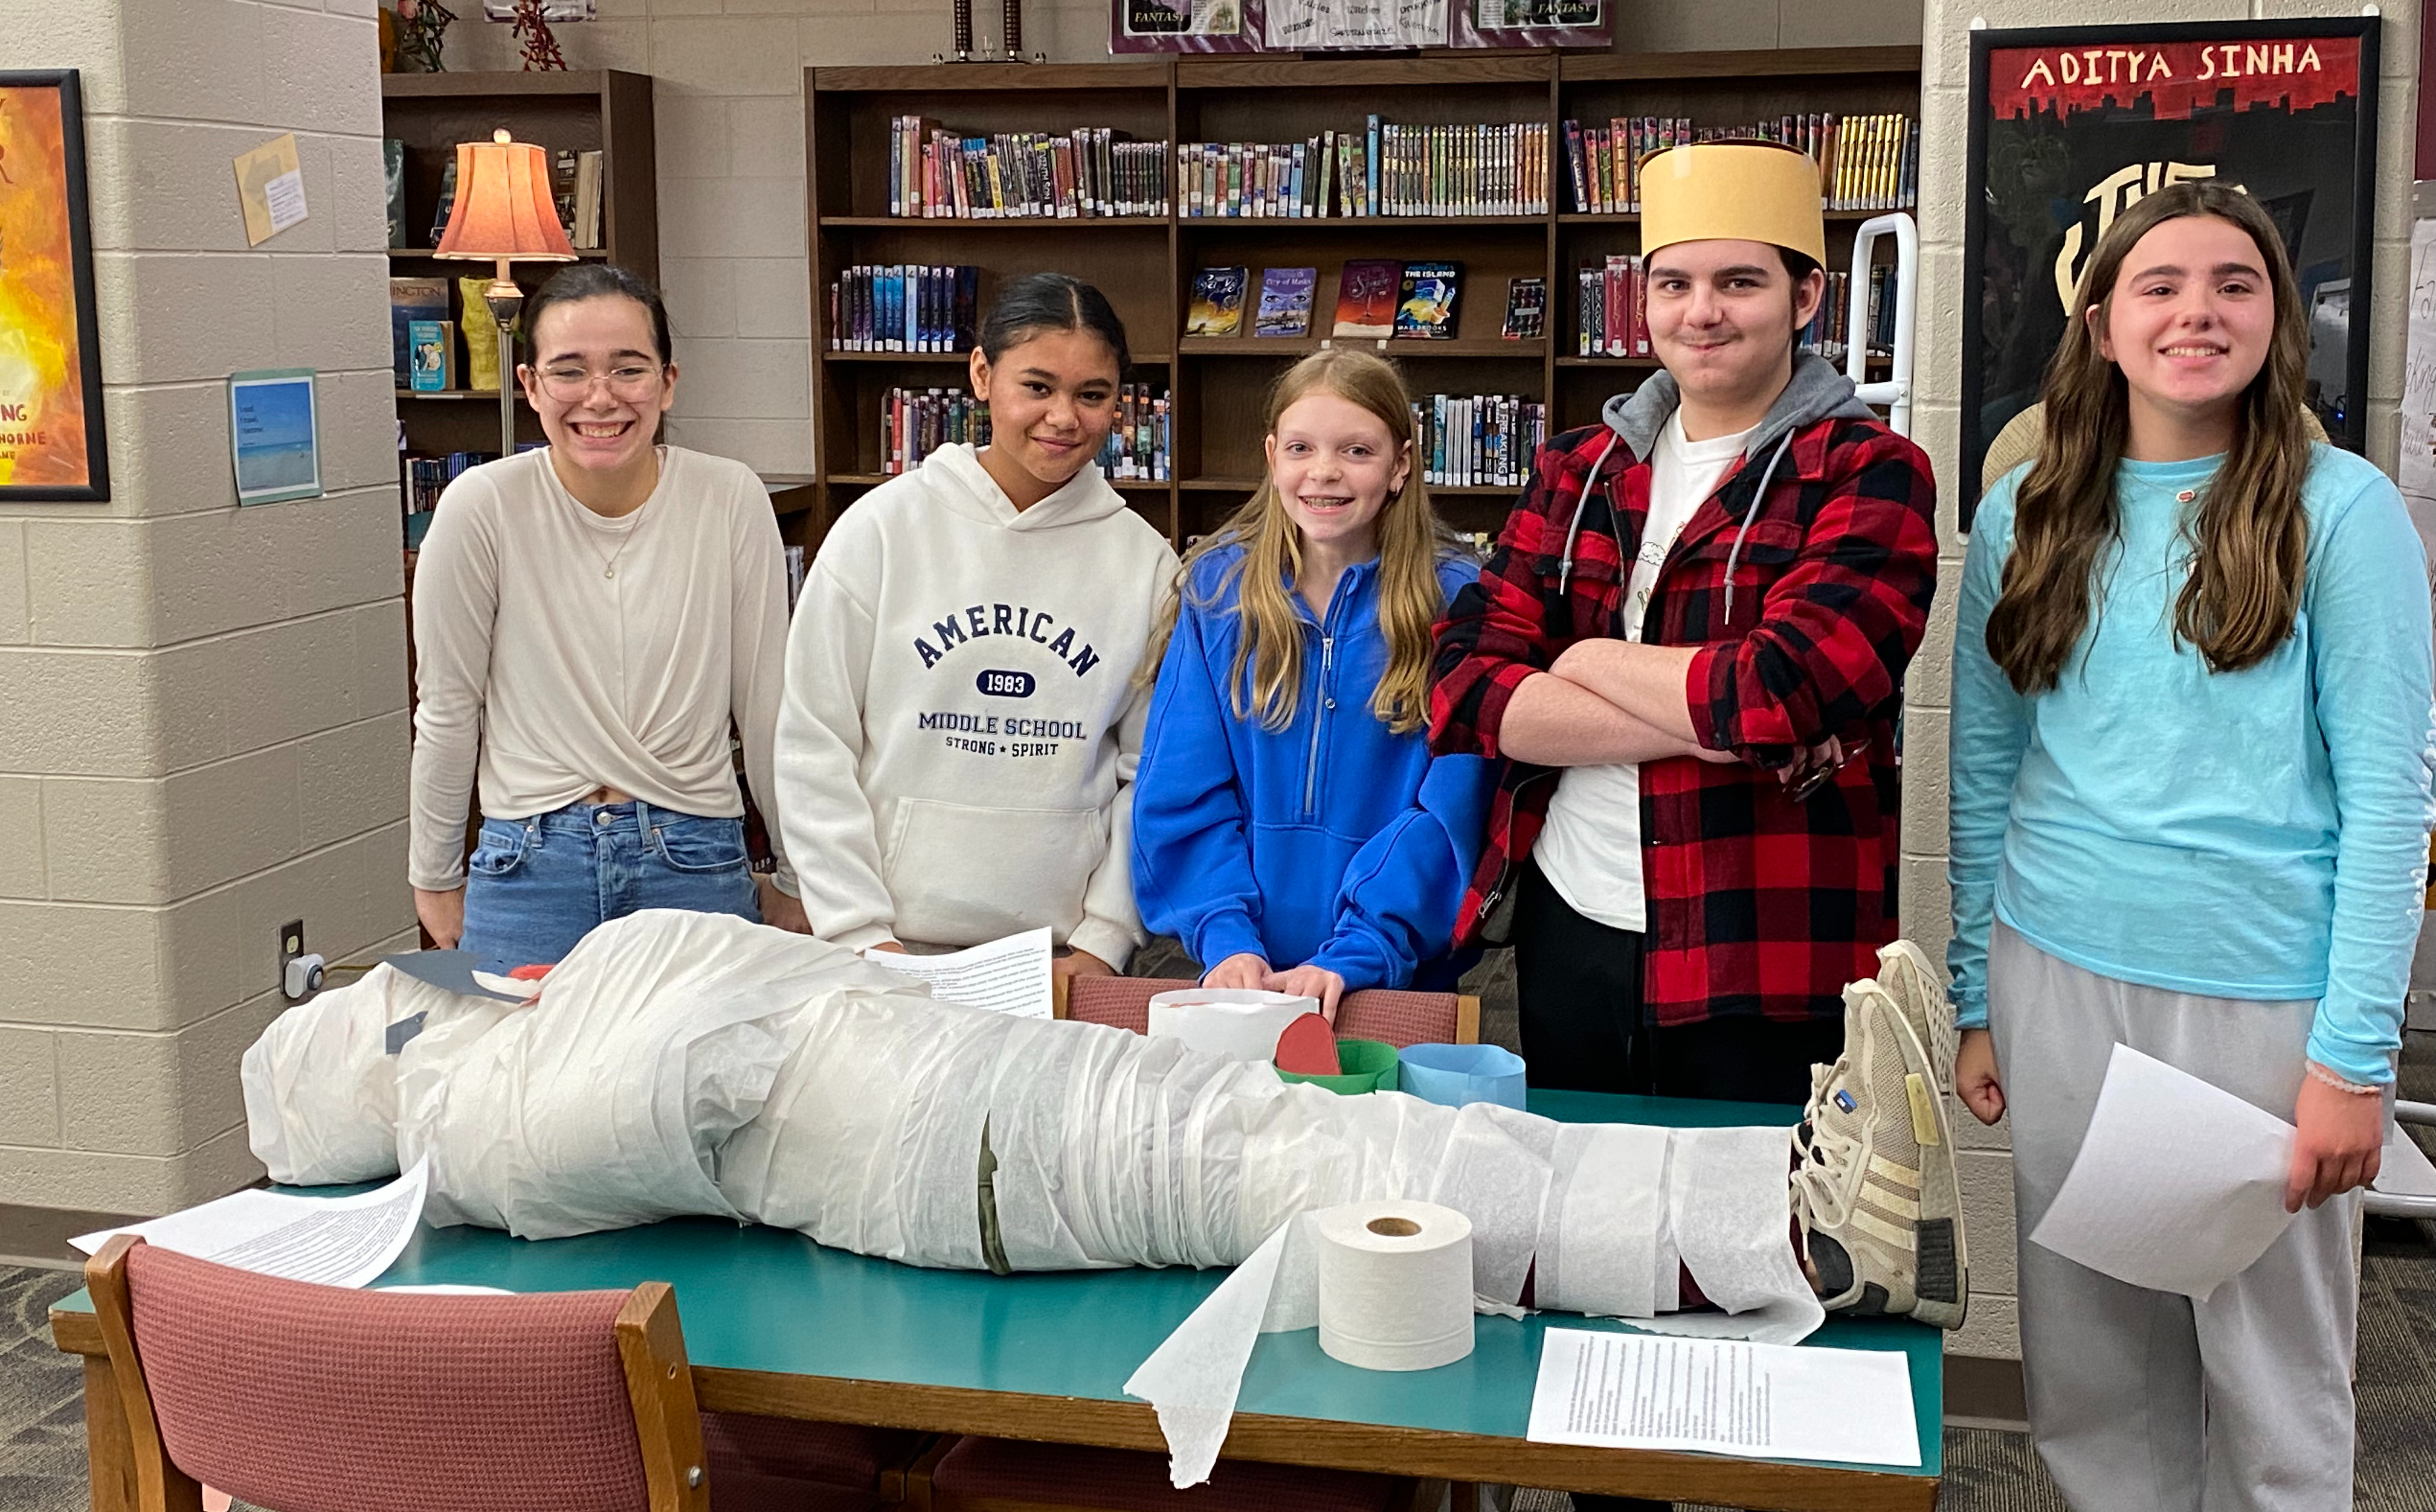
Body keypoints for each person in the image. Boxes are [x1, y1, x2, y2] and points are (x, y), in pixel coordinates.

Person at [1948, 180, 2429, 1511]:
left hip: (2261, 1004)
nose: (2197, 312)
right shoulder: (2028, 508)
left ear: (2281, 319)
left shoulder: (2345, 514)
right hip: (2057, 978)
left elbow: (2396, 798)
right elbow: (1984, 767)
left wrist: (2353, 1056)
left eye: (2236, 283)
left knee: (2275, 1382)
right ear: (2102, 323)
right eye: (2161, 285)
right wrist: (1971, 995)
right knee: (2095, 1373)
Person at [776, 273, 1174, 986]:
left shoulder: (1146, 565)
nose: (1064, 417)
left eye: (1092, 395)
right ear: (982, 374)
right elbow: (814, 745)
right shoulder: (879, 531)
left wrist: (1103, 941)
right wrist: (859, 934)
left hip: (1060, 961)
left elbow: (1151, 774)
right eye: (1039, 386)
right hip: (886, 951)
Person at [409, 262, 805, 967]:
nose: (600, 398)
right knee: (518, 1079)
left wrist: (794, 870)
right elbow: (446, 707)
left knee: (704, 1079)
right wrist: (435, 875)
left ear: (668, 381)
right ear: (529, 384)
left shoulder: (729, 498)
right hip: (529, 862)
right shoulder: (481, 507)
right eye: (569, 371)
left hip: (692, 855)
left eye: (629, 369)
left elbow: (768, 705)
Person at [1130, 351, 1497, 1019]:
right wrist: (1226, 937)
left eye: (1356, 450)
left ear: (1401, 464)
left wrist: (1361, 947)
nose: (1324, 471)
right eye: (1301, 447)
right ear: (1273, 457)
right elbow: (1182, 788)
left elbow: (1451, 810)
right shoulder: (1218, 595)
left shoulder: (1458, 604)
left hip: (1392, 974)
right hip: (1238, 973)